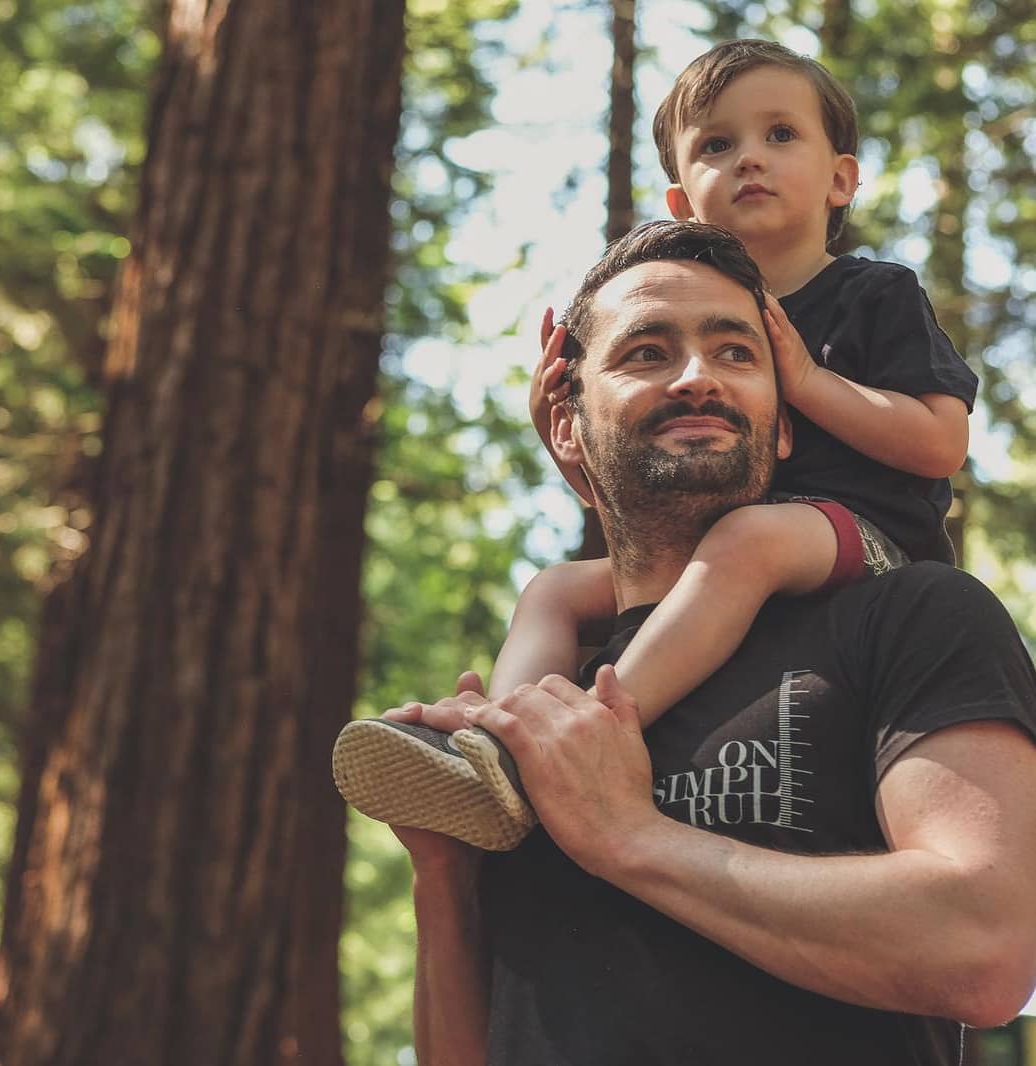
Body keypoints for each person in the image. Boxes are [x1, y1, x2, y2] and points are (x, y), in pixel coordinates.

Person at [384, 221, 1036, 1065]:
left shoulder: (909, 615)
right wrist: (444, 879)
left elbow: (984, 951)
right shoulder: (531, 713)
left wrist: (630, 838)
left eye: (735, 353)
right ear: (569, 428)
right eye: (647, 354)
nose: (697, 377)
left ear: (787, 424)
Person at [333, 39, 979, 848]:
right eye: (717, 144)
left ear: (841, 179)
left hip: (870, 538)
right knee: (557, 589)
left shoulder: (874, 295)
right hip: (731, 549)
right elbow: (649, 515)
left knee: (751, 537)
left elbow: (940, 444)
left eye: (781, 135)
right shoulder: (693, 323)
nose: (750, 159)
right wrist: (567, 441)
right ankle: (498, 745)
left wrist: (808, 382)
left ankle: (593, 727)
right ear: (682, 202)